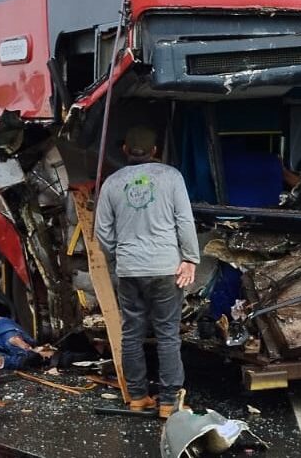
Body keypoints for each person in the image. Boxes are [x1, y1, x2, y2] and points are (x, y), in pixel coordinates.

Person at [95, 126, 200, 418]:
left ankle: (138, 397)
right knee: (167, 334)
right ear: (155, 151)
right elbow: (184, 220)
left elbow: (102, 230)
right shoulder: (171, 177)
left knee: (131, 334)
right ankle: (169, 402)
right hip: (166, 267)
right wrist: (190, 257)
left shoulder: (112, 183)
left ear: (126, 150)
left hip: (129, 270)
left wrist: (121, 254)